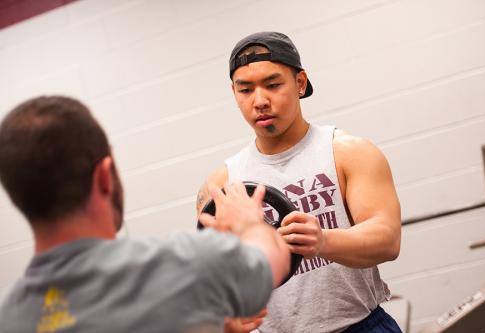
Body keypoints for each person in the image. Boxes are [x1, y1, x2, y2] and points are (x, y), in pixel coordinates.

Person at [0, 96, 290, 333]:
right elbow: (272, 256)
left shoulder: (9, 318)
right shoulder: (186, 264)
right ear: (104, 176)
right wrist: (250, 224)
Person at [197, 31, 402, 333]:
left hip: (361, 326)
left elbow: (387, 239)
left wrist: (323, 241)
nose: (260, 101)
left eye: (273, 84)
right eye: (246, 90)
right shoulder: (223, 184)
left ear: (300, 83)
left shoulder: (347, 152)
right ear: (234, 94)